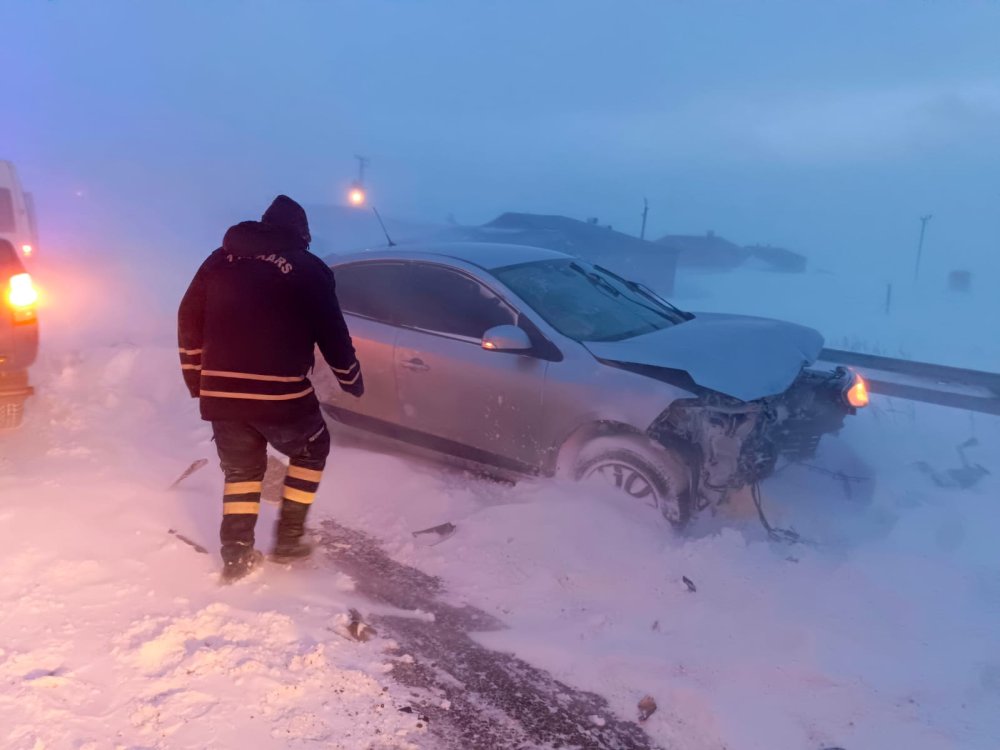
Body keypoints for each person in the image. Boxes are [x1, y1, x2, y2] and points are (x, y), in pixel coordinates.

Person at [177, 195, 363, 583]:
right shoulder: (308, 268)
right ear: (301, 234)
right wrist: (350, 376)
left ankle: (237, 556)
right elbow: (331, 330)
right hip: (279, 394)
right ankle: (290, 538)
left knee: (242, 471)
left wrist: (197, 377)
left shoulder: (217, 260)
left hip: (223, 394)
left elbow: (188, 316)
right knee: (313, 449)